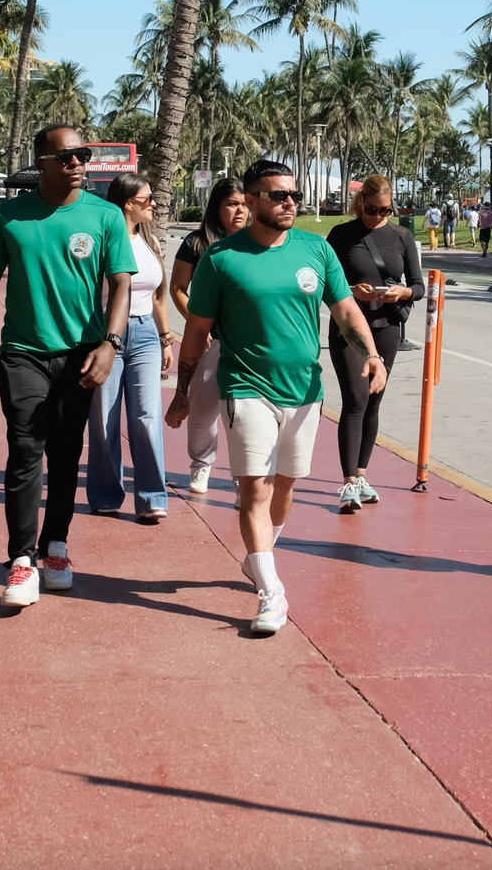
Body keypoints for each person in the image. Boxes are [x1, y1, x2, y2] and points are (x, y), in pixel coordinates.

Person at [167, 160, 386, 635]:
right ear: (250, 200)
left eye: (294, 195)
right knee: (254, 489)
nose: (290, 203)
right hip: (246, 388)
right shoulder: (221, 259)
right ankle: (271, 591)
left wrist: (370, 353)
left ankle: (258, 559)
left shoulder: (315, 249)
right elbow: (196, 331)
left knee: (285, 486)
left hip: (305, 390)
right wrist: (183, 392)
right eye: (279, 195)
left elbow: (345, 310)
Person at [0, 125, 136, 608]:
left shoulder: (106, 216)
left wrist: (111, 344)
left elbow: (121, 285)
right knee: (24, 447)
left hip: (83, 353)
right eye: (68, 156)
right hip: (23, 353)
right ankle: (20, 560)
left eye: (84, 155)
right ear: (43, 162)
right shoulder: (9, 218)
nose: (79, 163)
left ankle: (56, 546)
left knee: (65, 449)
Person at [325, 176, 423, 513]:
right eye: (372, 208)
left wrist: (402, 293)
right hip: (349, 327)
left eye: (386, 209)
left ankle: (362, 475)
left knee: (373, 402)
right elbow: (327, 283)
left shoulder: (401, 236)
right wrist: (350, 292)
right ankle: (348, 482)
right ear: (360, 203)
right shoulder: (341, 235)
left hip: (386, 326)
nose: (379, 215)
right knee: (354, 400)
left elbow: (419, 286)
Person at [87, 173, 177, 522]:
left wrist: (166, 337)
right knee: (105, 418)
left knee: (147, 416)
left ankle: (152, 497)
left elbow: (157, 294)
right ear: (127, 203)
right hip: (107, 335)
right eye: (147, 199)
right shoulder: (104, 239)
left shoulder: (149, 240)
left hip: (145, 336)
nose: (153, 203)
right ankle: (107, 495)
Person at [169, 178, 252, 496]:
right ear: (217, 208)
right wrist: (196, 324)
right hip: (208, 342)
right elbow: (177, 288)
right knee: (202, 413)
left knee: (242, 414)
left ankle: (242, 475)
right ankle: (201, 464)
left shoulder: (256, 242)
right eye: (232, 204)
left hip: (245, 344)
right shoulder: (196, 242)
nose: (240, 210)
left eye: (245, 203)